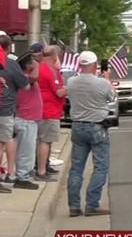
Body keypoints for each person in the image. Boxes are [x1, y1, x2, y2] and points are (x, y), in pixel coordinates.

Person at [67, 51, 115, 216]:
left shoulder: (71, 81)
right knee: (101, 166)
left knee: (76, 168)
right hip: (97, 127)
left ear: (80, 64)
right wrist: (107, 78)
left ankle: (74, 206)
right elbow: (112, 97)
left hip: (78, 127)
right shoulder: (102, 83)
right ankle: (92, 204)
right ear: (95, 65)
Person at [12, 53, 46, 190]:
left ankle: (24, 174)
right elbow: (35, 77)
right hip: (26, 120)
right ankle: (22, 177)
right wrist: (37, 65)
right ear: (27, 66)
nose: (36, 63)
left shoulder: (24, 78)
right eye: (33, 61)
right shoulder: (24, 78)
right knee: (26, 151)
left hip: (30, 120)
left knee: (27, 149)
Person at [36, 45, 65, 179]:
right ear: (55, 56)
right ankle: (42, 170)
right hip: (50, 110)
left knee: (43, 140)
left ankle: (43, 166)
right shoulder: (50, 70)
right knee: (46, 141)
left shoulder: (39, 67)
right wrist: (72, 87)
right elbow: (59, 92)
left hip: (40, 108)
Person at [0, 33, 24, 193]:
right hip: (5, 109)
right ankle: (9, 172)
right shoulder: (11, 63)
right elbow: (23, 83)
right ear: (8, 47)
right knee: (2, 143)